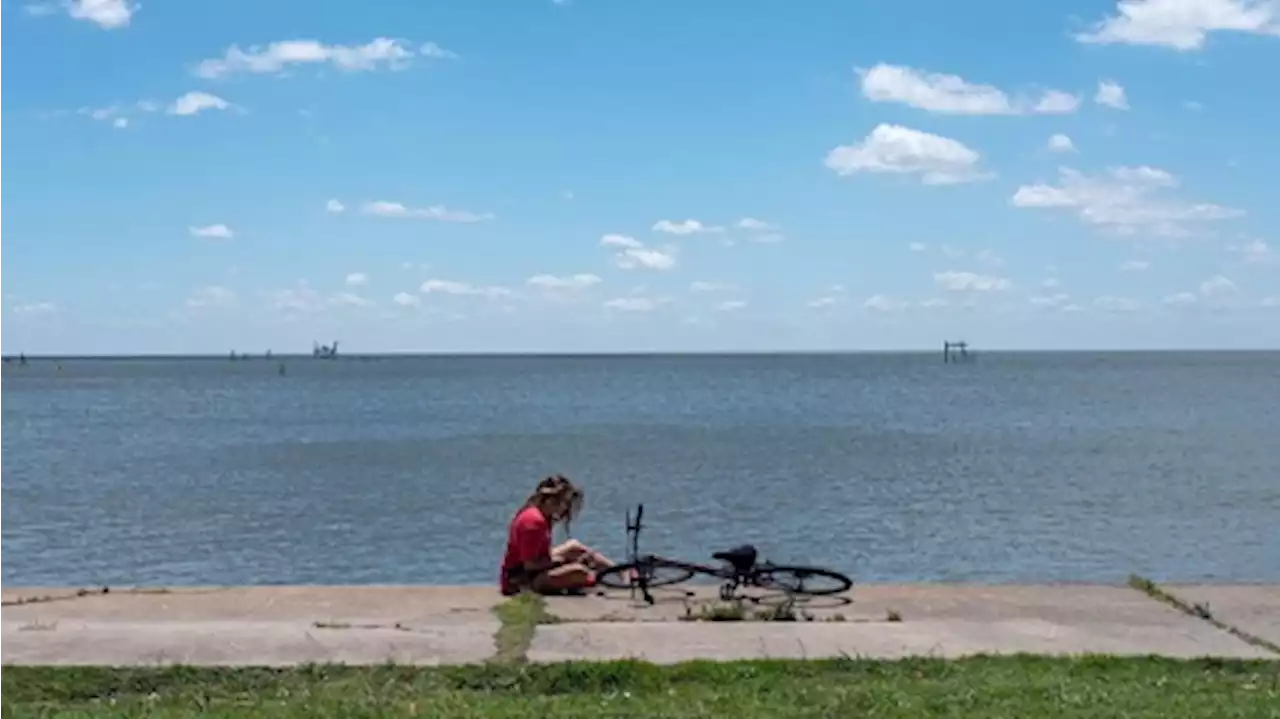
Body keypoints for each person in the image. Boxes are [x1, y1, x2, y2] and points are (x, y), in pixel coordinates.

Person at [499, 474, 614, 596]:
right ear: (550, 501)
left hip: (532, 570)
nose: (565, 508)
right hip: (521, 579)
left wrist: (562, 560)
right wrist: (563, 562)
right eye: (564, 503)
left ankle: (621, 572)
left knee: (574, 547)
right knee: (579, 571)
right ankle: (599, 579)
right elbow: (530, 564)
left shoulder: (541, 515)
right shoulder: (533, 522)